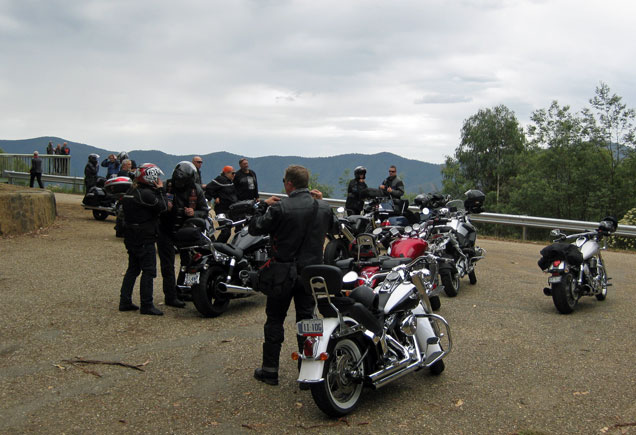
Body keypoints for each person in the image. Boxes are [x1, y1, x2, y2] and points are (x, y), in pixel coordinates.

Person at [248, 165, 336, 386]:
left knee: (274, 320)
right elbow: (335, 229)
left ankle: (270, 371)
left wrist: (262, 206)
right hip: (310, 274)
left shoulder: (280, 208)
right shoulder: (323, 208)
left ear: (289, 183)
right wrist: (321, 202)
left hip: (282, 272)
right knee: (307, 321)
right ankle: (307, 373)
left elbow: (255, 228)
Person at [118, 163, 168, 316]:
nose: (158, 179)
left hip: (130, 234)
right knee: (149, 271)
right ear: (149, 177)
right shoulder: (146, 194)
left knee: (133, 268)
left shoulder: (131, 191)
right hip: (144, 236)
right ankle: (146, 305)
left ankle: (125, 301)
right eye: (156, 177)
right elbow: (163, 207)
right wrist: (161, 190)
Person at [157, 161, 209, 306]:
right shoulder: (165, 187)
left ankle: (183, 290)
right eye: (178, 180)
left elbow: (204, 211)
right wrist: (165, 205)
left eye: (183, 180)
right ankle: (170, 296)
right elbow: (156, 206)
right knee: (167, 265)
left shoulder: (196, 190)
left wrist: (194, 213)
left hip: (185, 231)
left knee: (189, 262)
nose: (179, 183)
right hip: (165, 229)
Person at [205, 165, 238, 243]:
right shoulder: (220, 179)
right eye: (232, 173)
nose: (234, 175)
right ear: (226, 173)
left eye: (234, 173)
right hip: (222, 209)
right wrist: (216, 196)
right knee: (226, 231)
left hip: (230, 209)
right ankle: (217, 246)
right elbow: (209, 187)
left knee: (235, 228)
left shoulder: (230, 181)